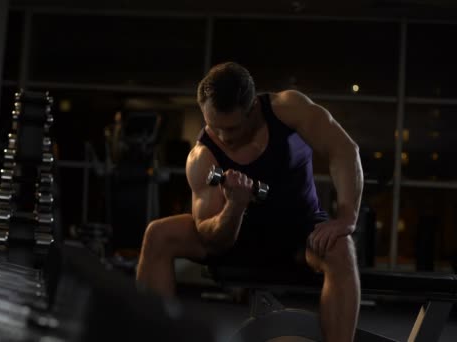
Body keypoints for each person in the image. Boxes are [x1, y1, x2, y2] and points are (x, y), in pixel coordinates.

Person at [136, 62, 363, 342]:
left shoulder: (288, 109)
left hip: (298, 231)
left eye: (231, 128)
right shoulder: (202, 157)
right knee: (158, 235)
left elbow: (344, 150)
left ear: (253, 107)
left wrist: (346, 218)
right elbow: (213, 239)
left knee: (342, 248)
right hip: (236, 238)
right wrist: (235, 206)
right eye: (213, 126)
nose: (223, 137)